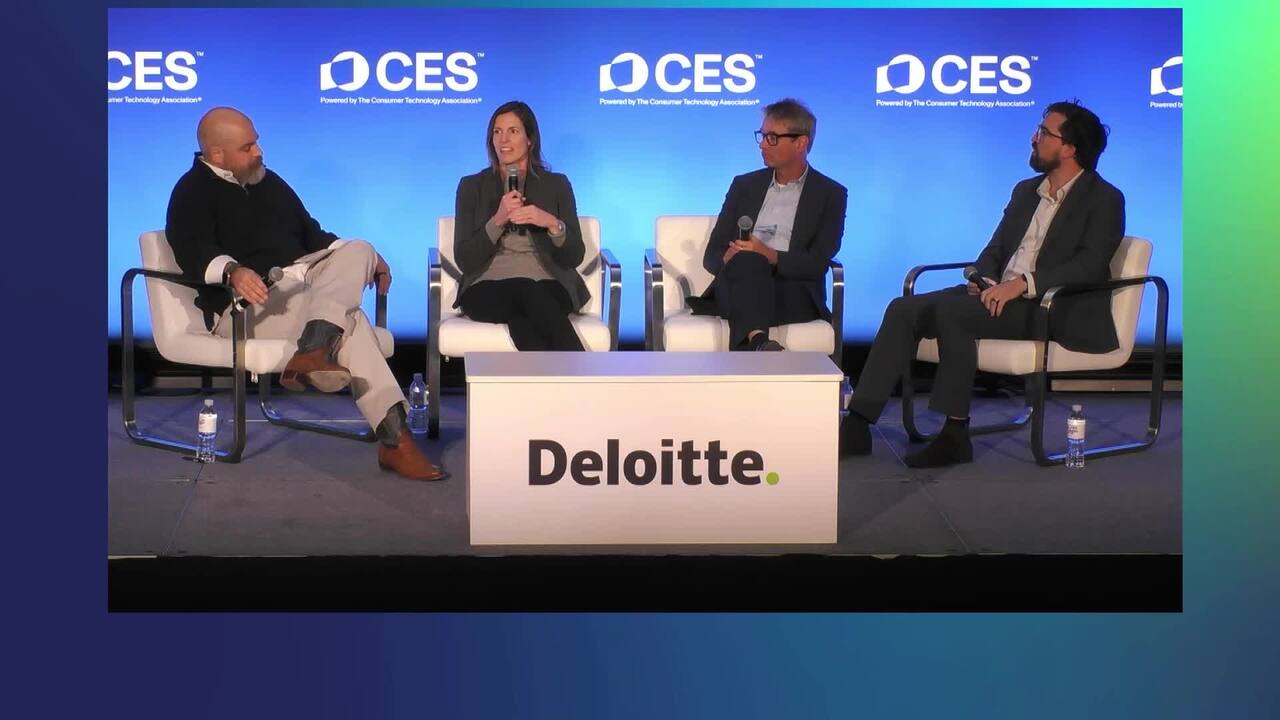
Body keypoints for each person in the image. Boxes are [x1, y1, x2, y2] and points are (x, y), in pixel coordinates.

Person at [165, 106, 445, 481]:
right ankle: (394, 439)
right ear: (217, 154)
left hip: (304, 289)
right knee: (351, 321)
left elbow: (314, 235)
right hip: (248, 306)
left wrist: (367, 259)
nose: (259, 152)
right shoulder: (191, 192)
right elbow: (191, 250)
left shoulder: (269, 182)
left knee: (361, 247)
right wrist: (232, 271)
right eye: (248, 148)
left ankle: (314, 350)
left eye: (257, 143)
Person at [844, 99, 1126, 468]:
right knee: (903, 308)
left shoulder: (1104, 199)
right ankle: (858, 423)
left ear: (1069, 148)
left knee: (953, 314)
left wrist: (1021, 284)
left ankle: (955, 434)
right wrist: (985, 276)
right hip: (1001, 295)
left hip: (1052, 307)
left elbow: (1089, 266)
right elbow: (996, 248)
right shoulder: (1026, 190)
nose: (1034, 138)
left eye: (1044, 132)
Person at [689, 98, 848, 351]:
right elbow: (712, 257)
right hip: (739, 283)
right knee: (747, 260)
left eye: (772, 138)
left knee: (753, 264)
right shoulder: (744, 186)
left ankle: (756, 343)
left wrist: (769, 255)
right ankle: (760, 343)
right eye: (762, 136)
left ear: (801, 143)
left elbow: (818, 262)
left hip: (792, 294)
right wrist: (728, 258)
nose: (762, 144)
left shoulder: (831, 194)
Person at [453, 101, 588, 350]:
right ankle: (583, 369)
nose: (503, 140)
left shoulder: (557, 185)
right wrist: (498, 220)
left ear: (530, 139)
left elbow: (574, 256)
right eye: (497, 132)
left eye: (513, 131)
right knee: (526, 290)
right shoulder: (471, 187)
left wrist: (552, 224)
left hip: (549, 282)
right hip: (486, 286)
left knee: (522, 321)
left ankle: (549, 377)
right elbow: (464, 258)